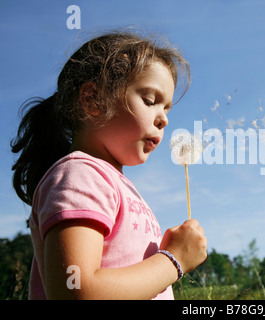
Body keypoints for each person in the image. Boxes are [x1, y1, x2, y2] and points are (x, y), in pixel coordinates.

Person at [10, 31, 207, 300]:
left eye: (167, 109)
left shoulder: (112, 183)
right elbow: (76, 289)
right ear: (93, 100)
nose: (163, 119)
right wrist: (174, 261)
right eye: (150, 101)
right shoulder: (80, 175)